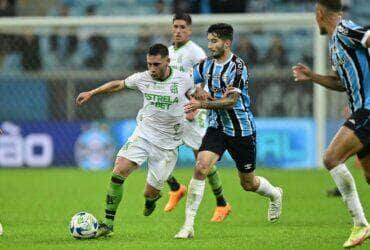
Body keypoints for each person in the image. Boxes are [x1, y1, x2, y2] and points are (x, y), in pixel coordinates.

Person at [175, 23, 283, 239]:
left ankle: (275, 194)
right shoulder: (205, 65)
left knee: (248, 183)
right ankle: (188, 226)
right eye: (208, 41)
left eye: (214, 41)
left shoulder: (238, 66)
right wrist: (196, 91)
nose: (210, 45)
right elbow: (189, 82)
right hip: (217, 128)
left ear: (227, 43)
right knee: (201, 167)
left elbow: (231, 101)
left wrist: (202, 104)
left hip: (242, 130)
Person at [76, 44, 195, 237]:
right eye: (149, 64)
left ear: (168, 61)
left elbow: (196, 97)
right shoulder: (143, 78)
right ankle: (108, 224)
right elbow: (118, 84)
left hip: (167, 145)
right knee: (118, 172)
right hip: (143, 135)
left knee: (149, 193)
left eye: (157, 64)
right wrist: (92, 92)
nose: (152, 69)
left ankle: (152, 199)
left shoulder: (183, 80)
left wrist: (199, 105)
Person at [292, 0, 370, 248]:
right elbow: (340, 83)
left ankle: (360, 223)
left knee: (331, 158)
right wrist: (312, 76)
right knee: (369, 176)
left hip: (368, 109)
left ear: (319, 13)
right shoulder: (335, 42)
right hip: (361, 108)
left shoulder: (345, 30)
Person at [165, 13, 231, 222]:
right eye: (175, 26)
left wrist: (197, 104)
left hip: (192, 110)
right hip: (172, 111)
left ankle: (222, 203)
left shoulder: (195, 52)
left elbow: (207, 76)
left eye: (182, 27)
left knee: (202, 160)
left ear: (190, 30)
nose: (178, 30)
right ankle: (175, 188)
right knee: (156, 151)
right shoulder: (167, 52)